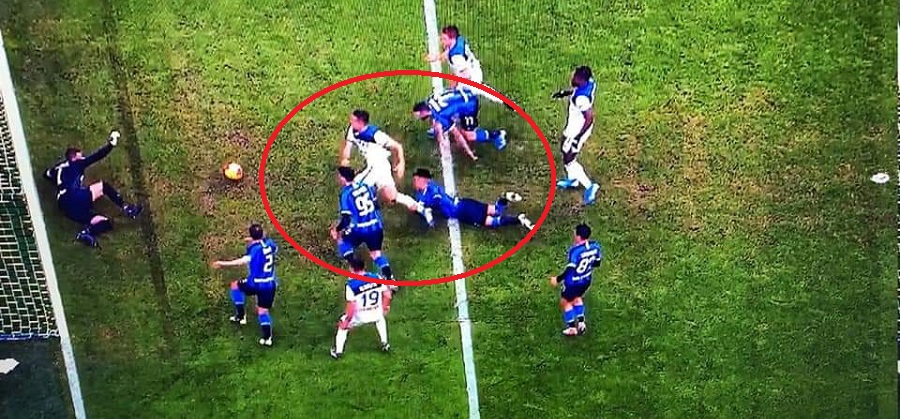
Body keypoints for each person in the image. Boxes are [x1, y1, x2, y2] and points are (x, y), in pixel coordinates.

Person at [42, 130, 143, 247]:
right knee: (103, 186)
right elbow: (97, 156)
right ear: (74, 157)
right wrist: (111, 145)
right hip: (74, 197)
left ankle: (86, 233)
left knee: (105, 221)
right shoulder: (77, 163)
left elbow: (46, 174)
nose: (83, 157)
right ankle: (127, 208)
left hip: (65, 207)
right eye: (80, 156)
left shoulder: (57, 169)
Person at [211, 224, 279, 347]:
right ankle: (267, 338)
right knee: (262, 311)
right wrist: (254, 240)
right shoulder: (269, 244)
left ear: (251, 236)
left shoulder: (255, 250)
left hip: (256, 283)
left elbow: (241, 261)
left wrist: (222, 264)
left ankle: (241, 316)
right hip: (270, 284)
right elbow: (272, 247)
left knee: (235, 286)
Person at [339, 109, 420, 211]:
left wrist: (401, 164)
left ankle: (352, 214)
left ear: (360, 122)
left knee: (353, 188)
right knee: (391, 196)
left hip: (378, 166)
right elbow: (348, 145)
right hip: (378, 165)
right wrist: (345, 159)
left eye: (353, 120)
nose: (350, 122)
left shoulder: (375, 135)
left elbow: (397, 146)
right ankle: (415, 205)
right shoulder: (352, 129)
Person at [408, 168, 533, 231]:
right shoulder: (424, 191)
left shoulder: (432, 192)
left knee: (492, 222)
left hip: (462, 211)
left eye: (416, 180)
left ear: (423, 180)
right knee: (495, 210)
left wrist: (425, 213)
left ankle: (518, 219)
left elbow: (431, 204)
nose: (414, 183)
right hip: (464, 202)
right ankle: (505, 198)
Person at [330, 166, 396, 284]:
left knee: (341, 239)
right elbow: (376, 206)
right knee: (376, 254)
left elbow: (346, 219)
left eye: (339, 176)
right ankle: (390, 279)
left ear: (343, 178)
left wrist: (337, 229)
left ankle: (356, 271)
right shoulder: (366, 186)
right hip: (376, 227)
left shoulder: (346, 194)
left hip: (360, 230)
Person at [425, 25, 512, 110]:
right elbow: (449, 51)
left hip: (471, 76)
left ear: (451, 38)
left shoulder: (456, 57)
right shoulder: (459, 40)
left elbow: (466, 74)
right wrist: (436, 57)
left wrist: (455, 82)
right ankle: (504, 100)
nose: (442, 41)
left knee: (464, 94)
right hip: (473, 66)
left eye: (444, 39)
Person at [551, 65, 601, 205]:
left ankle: (590, 186)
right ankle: (573, 180)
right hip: (572, 128)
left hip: (577, 131)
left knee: (569, 159)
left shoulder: (581, 99)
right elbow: (578, 90)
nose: (572, 78)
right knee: (564, 149)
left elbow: (589, 117)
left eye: (576, 77)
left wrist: (577, 138)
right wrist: (565, 93)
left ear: (582, 79)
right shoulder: (590, 83)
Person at [412, 90, 507, 161]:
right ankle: (450, 126)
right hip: (463, 95)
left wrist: (469, 153)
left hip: (469, 105)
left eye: (419, 115)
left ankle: (497, 135)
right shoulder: (430, 100)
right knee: (443, 123)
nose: (419, 118)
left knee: (469, 136)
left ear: (423, 112)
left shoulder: (440, 115)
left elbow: (457, 134)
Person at [331, 258, 392, 359]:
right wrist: (385, 307)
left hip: (359, 316)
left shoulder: (351, 285)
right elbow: (387, 295)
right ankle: (385, 343)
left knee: (342, 326)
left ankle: (338, 352)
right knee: (380, 319)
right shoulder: (377, 277)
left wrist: (347, 320)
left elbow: (351, 306)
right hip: (376, 312)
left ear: (351, 268)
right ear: (364, 266)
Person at [549, 223, 603, 336]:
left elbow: (570, 270)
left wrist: (557, 279)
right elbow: (597, 263)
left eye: (575, 233)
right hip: (586, 281)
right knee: (577, 297)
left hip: (573, 283)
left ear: (578, 236)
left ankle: (572, 328)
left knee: (565, 302)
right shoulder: (595, 246)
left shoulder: (575, 251)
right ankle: (581, 323)